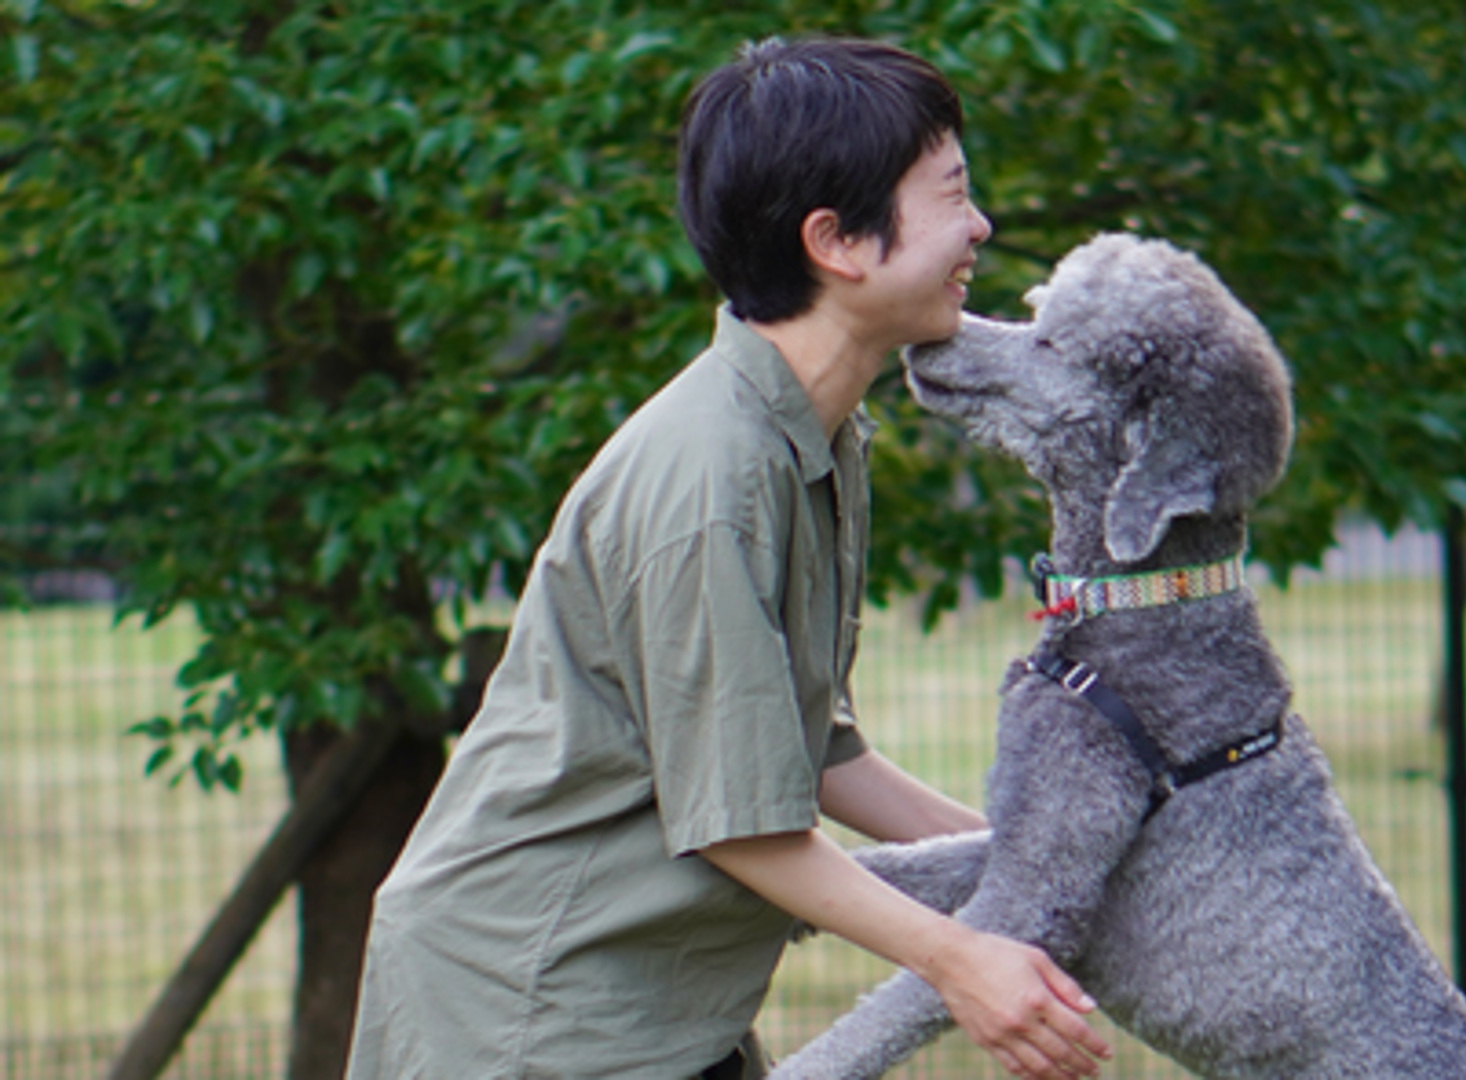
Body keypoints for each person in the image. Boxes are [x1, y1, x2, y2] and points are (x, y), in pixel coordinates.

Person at [345, 36, 1114, 1080]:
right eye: (952, 196)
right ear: (837, 243)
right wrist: (958, 957)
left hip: (648, 1012)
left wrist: (1023, 873)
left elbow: (815, 751)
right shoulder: (711, 481)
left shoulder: (819, 431)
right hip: (528, 1015)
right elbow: (742, 829)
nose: (980, 227)